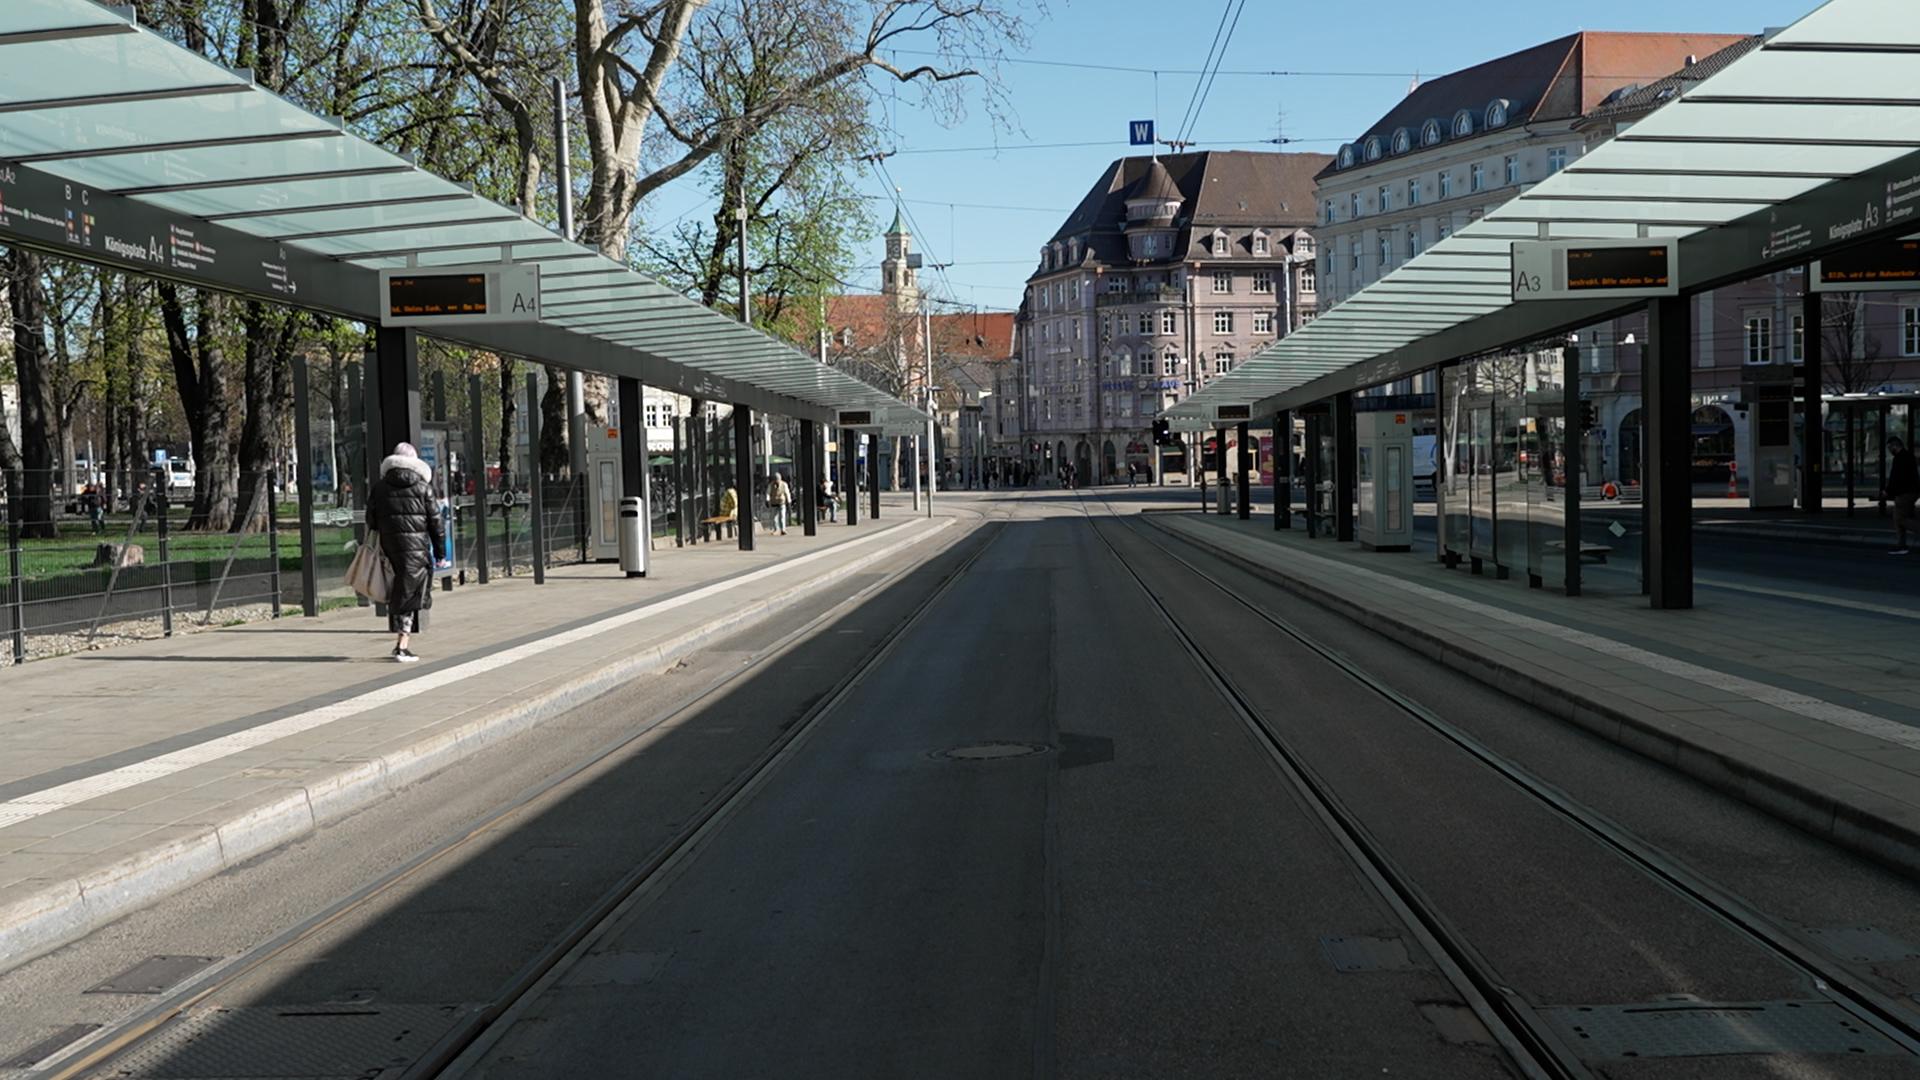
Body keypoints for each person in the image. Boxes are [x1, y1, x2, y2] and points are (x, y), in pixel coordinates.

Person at [365, 442, 447, 663]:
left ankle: (401, 644)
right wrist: (440, 553)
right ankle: (402, 646)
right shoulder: (423, 488)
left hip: (387, 549)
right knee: (409, 597)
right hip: (415, 552)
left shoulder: (380, 488)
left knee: (398, 592)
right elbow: (436, 525)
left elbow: (371, 520)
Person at [1887, 436, 1919, 555]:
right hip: (1912, 492)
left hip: (1904, 493)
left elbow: (1895, 477)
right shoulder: (1909, 456)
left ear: (1895, 445)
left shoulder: (1899, 459)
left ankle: (1902, 545)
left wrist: (1888, 491)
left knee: (1900, 519)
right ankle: (1901, 545)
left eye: (1890, 447)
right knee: (1900, 518)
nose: (1890, 450)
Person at [768, 470, 792, 535]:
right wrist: (767, 500)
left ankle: (783, 529)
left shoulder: (784, 484)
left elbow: (787, 493)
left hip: (782, 502)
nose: (776, 481)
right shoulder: (771, 485)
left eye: (777, 479)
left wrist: (789, 502)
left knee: (782, 516)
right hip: (774, 502)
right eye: (775, 479)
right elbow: (768, 493)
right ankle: (776, 529)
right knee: (774, 518)